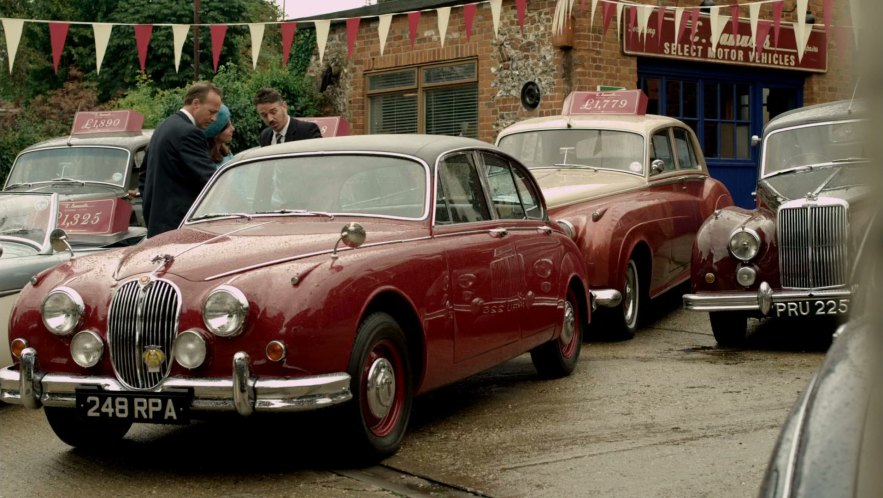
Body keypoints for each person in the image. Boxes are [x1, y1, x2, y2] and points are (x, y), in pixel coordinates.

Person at [141, 82, 222, 237]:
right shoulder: (189, 133)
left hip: (158, 224)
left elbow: (144, 177)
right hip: (179, 226)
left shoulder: (163, 126)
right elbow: (210, 179)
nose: (214, 118)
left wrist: (151, 213)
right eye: (211, 112)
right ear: (196, 103)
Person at [254, 87, 321, 146]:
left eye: (273, 112)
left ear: (284, 106)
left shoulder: (308, 131)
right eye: (264, 115)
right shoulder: (265, 136)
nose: (270, 119)